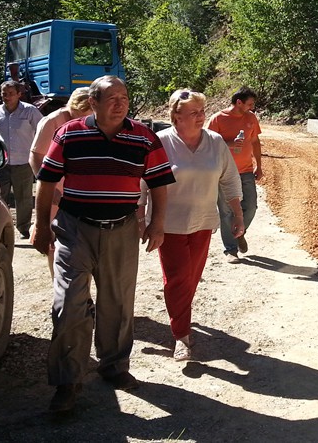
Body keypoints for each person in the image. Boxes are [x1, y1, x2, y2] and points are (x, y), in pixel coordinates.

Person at [31, 75, 175, 413]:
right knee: (68, 304)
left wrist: (157, 223)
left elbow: (159, 184)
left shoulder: (144, 137)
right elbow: (47, 181)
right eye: (112, 98)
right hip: (74, 229)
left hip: (122, 229)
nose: (120, 103)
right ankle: (68, 380)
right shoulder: (70, 133)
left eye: (124, 97)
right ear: (93, 103)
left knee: (118, 303)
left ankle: (113, 367)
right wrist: (40, 226)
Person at [140, 89, 245, 361]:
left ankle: (180, 315)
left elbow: (230, 178)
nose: (201, 116)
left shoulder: (215, 142)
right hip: (168, 224)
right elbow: (142, 182)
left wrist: (237, 214)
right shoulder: (159, 142)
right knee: (177, 279)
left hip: (202, 222)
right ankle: (181, 336)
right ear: (177, 116)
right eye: (194, 113)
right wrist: (142, 219)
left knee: (191, 279)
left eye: (202, 111)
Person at [29, 87, 93, 276]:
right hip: (57, 191)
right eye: (79, 114)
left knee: (83, 242)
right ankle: (59, 284)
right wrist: (49, 187)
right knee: (55, 242)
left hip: (82, 191)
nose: (82, 119)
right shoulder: (52, 121)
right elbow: (35, 156)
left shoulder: (94, 121)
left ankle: (83, 294)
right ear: (71, 106)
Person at [205, 87, 263, 263]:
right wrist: (230, 143)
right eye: (250, 104)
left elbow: (255, 141)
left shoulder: (251, 118)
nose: (252, 108)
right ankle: (230, 250)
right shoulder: (218, 119)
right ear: (239, 102)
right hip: (223, 172)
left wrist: (259, 166)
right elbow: (208, 144)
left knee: (251, 206)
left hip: (245, 170)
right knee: (226, 212)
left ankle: (239, 232)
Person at [0, 80, 43, 238]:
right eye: (4, 94)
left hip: (23, 162)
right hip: (1, 163)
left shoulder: (30, 111)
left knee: (24, 198)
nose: (7, 97)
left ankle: (23, 228)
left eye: (11, 93)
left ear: (19, 94)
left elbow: (42, 132)